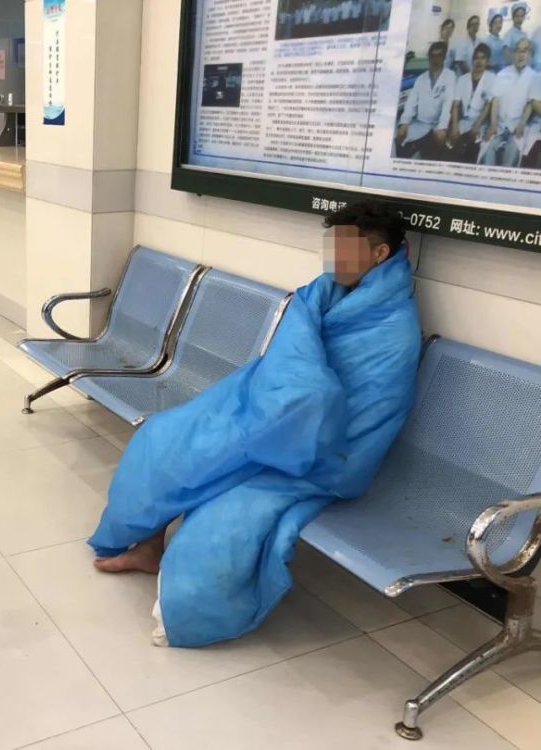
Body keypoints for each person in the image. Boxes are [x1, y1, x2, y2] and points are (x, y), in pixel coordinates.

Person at [89, 200, 421, 648]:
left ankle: (189, 605)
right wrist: (287, 400)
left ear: (379, 254)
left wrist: (301, 399)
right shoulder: (323, 293)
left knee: (225, 507)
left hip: (325, 453)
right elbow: (289, 357)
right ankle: (147, 546)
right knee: (165, 438)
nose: (333, 259)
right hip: (271, 415)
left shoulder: (394, 330)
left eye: (345, 249)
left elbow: (365, 410)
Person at [481, 37, 536, 165]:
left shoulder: (534, 76)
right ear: (513, 54)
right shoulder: (502, 74)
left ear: (530, 54)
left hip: (518, 126)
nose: (521, 55)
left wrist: (521, 124)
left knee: (511, 155)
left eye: (524, 51)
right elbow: (495, 100)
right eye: (518, 50)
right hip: (499, 126)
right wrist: (493, 125)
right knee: (488, 151)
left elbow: (530, 103)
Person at [396, 42, 456, 160]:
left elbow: (448, 105)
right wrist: (404, 123)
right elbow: (411, 104)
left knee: (437, 142)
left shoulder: (450, 76)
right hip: (420, 124)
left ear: (444, 57)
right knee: (399, 138)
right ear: (429, 58)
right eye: (432, 56)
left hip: (437, 125)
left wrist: (442, 128)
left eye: (439, 55)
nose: (435, 59)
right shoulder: (420, 79)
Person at [447, 43, 497, 162]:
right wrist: (455, 126)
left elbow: (487, 105)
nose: (479, 61)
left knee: (474, 147)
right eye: (476, 58)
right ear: (472, 60)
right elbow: (456, 105)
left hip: (481, 122)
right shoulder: (462, 79)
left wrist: (477, 125)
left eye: (482, 58)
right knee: (451, 146)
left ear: (487, 61)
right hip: (464, 121)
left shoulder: (491, 78)